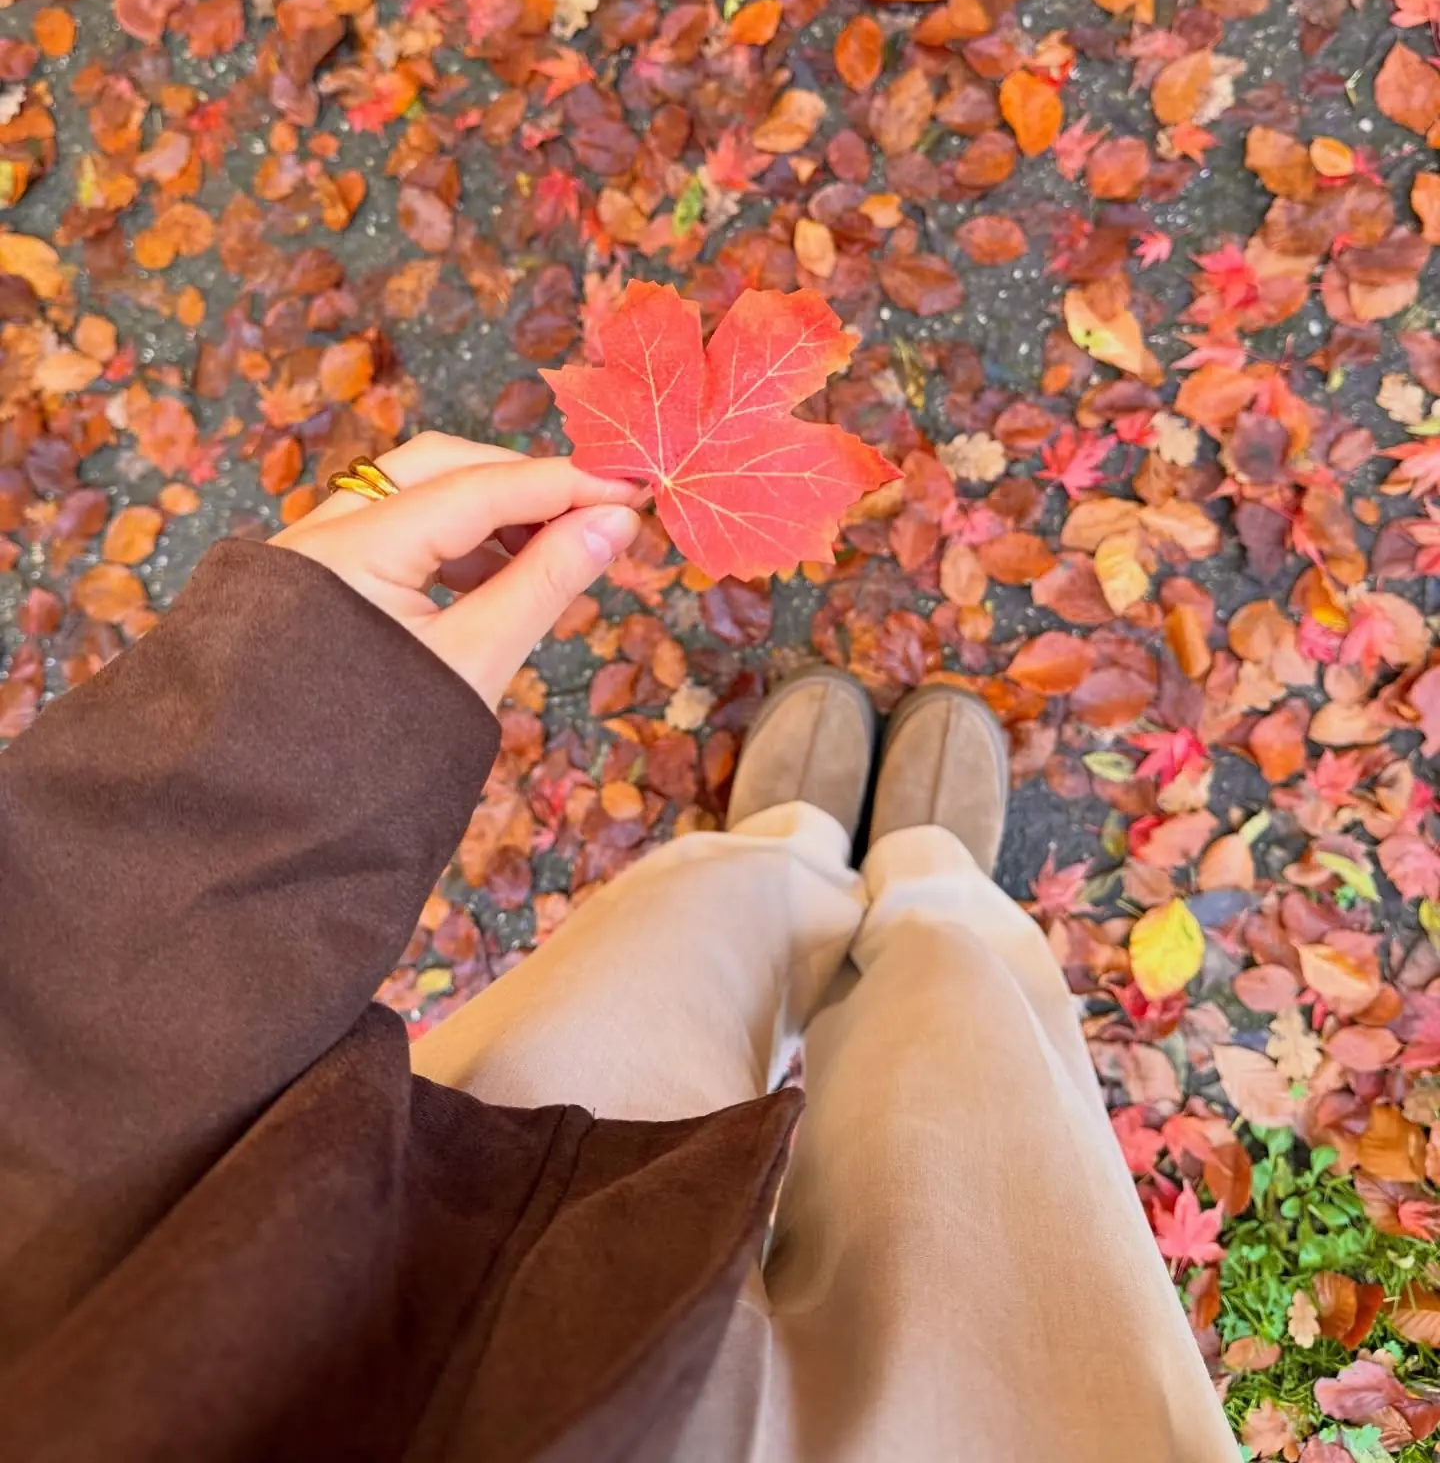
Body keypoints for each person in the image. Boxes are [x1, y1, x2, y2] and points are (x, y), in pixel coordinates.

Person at [0, 434, 1240, 1462]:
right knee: (978, 1122)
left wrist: (260, 743)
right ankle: (935, 890)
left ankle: (788, 855)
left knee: (649, 984)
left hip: (421, 1273)